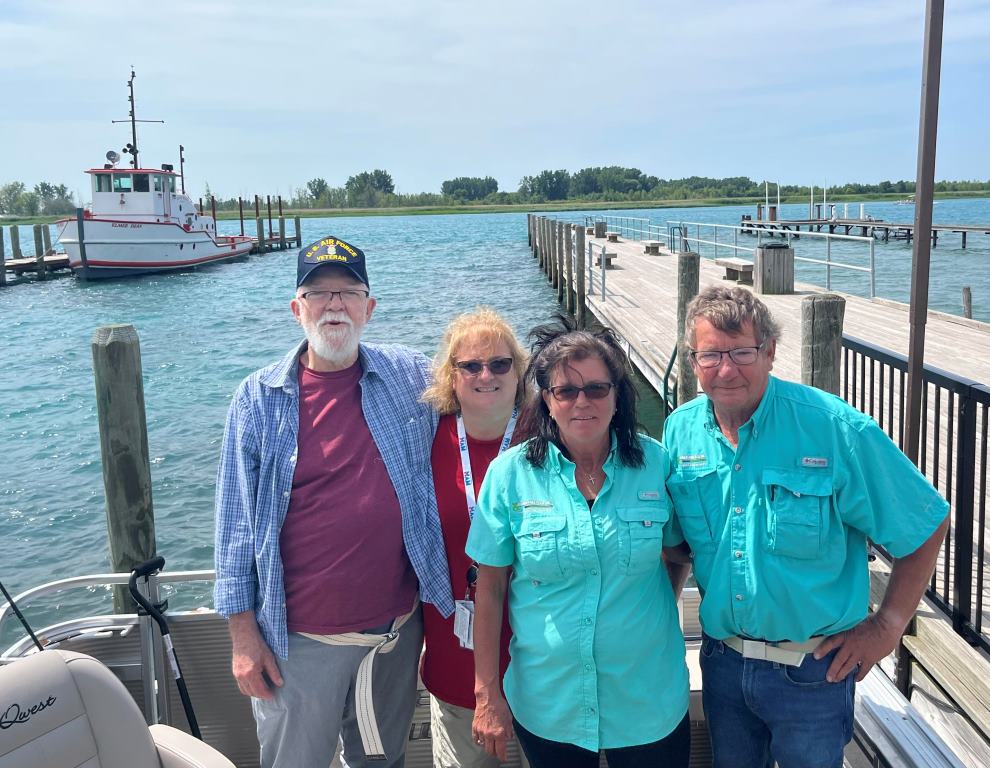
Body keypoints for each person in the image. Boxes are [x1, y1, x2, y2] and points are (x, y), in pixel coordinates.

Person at [663, 285, 950, 768]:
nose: (727, 369)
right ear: (693, 361)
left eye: (742, 352)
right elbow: (677, 548)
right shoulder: (680, 429)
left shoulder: (835, 429)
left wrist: (888, 626)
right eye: (711, 354)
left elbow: (925, 525)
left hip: (815, 673)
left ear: (771, 352)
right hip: (722, 666)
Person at [213, 235, 454, 768]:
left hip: (395, 632)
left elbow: (486, 387)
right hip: (298, 644)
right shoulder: (257, 399)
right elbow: (235, 531)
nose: (334, 305)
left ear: (370, 308)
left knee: (381, 762)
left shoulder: (410, 374)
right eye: (319, 293)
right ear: (297, 309)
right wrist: (242, 637)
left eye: (348, 291)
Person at [467, 318, 692, 768]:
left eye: (596, 388)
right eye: (565, 391)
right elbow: (489, 589)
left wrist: (647, 614)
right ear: (546, 400)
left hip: (647, 698)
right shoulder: (509, 474)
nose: (581, 402)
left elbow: (676, 553)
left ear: (617, 397)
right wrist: (487, 693)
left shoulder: (656, 464)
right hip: (549, 703)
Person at [419, 307, 529, 768]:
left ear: (519, 371)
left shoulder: (546, 438)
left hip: (539, 668)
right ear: (452, 375)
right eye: (471, 365)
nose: (486, 374)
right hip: (453, 661)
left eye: (500, 364)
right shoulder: (423, 440)